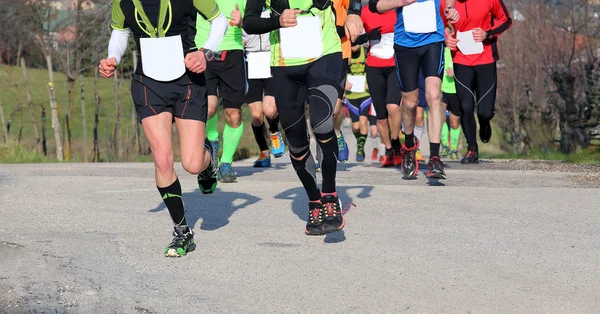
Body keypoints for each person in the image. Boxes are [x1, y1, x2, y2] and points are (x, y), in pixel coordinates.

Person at [100, 0, 228, 257]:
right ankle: (182, 231)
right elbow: (121, 31)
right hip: (148, 82)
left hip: (188, 80)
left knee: (192, 164)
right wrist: (113, 57)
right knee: (162, 158)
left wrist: (206, 52)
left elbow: (219, 20)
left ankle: (208, 158)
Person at [244, 0, 345, 235]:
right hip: (284, 64)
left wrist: (354, 12)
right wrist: (277, 21)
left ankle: (330, 195)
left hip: (324, 54)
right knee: (297, 142)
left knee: (322, 125)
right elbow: (249, 21)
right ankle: (314, 200)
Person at [371, 0, 459, 179]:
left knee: (434, 95)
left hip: (433, 41)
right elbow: (376, 5)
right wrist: (403, 2)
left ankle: (434, 157)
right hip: (405, 45)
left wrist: (450, 8)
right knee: (410, 103)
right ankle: (409, 145)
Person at [445, 0, 512, 164]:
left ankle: (485, 122)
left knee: (485, 112)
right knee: (466, 106)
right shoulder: (447, 3)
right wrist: (446, 39)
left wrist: (487, 34)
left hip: (486, 59)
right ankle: (472, 149)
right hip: (460, 60)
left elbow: (506, 20)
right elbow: (437, 24)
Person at [196, 0, 247, 183]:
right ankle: (212, 142)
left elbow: (254, 22)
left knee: (234, 115)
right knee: (209, 106)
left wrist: (243, 22)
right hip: (204, 50)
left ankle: (226, 162)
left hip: (232, 53)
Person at [355, 5, 402, 168]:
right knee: (381, 117)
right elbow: (354, 39)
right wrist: (368, 36)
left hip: (395, 65)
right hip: (374, 67)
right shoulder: (365, 11)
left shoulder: (398, 7)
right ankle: (389, 150)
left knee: (393, 107)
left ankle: (396, 144)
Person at [242, 20, 286, 168]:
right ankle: (264, 152)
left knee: (270, 109)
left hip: (271, 58)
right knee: (256, 115)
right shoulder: (244, 7)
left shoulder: (272, 6)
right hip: (251, 60)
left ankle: (274, 129)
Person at [343, 44, 372, 162]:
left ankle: (360, 148)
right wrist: (343, 84)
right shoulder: (345, 53)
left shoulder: (364, 52)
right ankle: (359, 140)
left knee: (363, 121)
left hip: (365, 93)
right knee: (355, 126)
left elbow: (371, 68)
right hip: (351, 94)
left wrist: (369, 81)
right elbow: (339, 70)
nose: (354, 45)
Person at [332, 0, 352, 162]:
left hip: (340, 52)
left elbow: (353, 9)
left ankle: (337, 133)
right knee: (318, 107)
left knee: (334, 110)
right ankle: (323, 155)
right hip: (315, 52)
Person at [440, 45, 461, 160]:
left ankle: (454, 150)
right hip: (442, 89)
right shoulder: (442, 50)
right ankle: (445, 145)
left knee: (454, 122)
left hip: (456, 91)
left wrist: (455, 72)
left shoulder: (460, 50)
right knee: (440, 118)